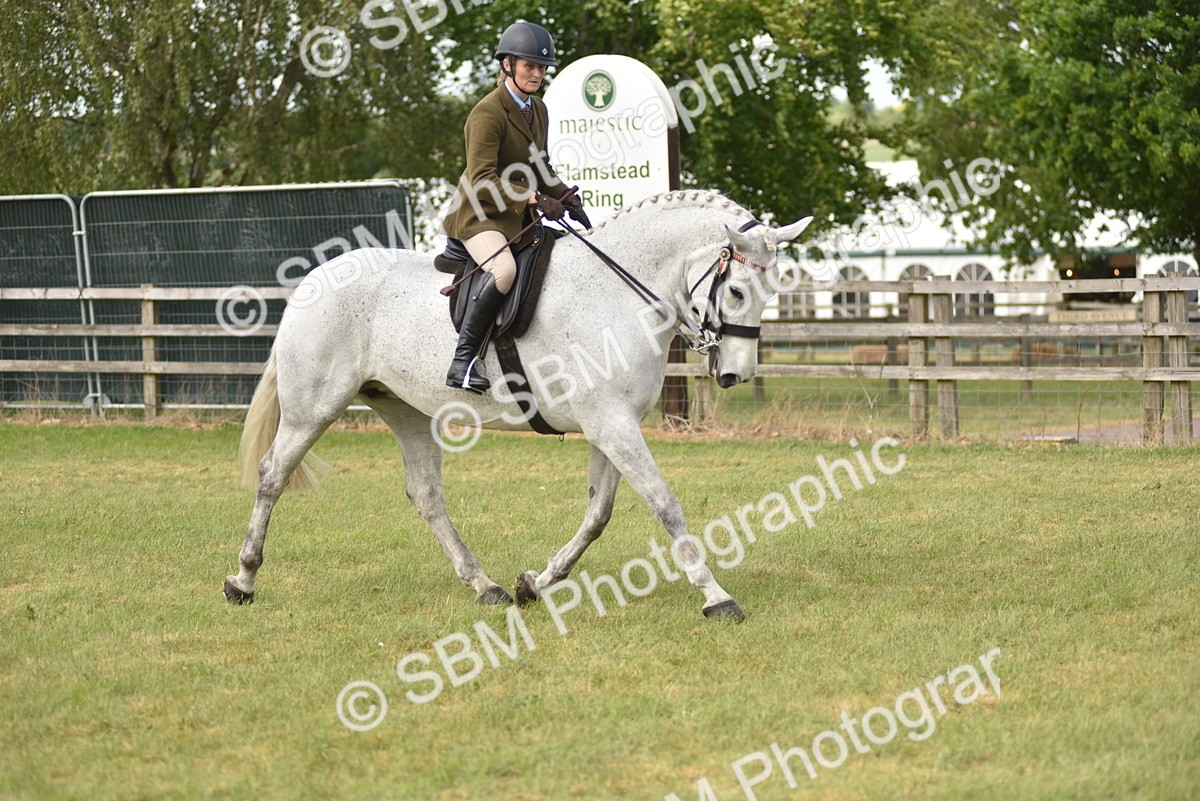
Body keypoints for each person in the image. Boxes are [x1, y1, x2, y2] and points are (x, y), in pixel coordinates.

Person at [441, 21, 587, 393]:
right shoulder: (486, 113)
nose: (537, 74)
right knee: (504, 270)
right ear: (507, 64)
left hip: (514, 217)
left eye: (542, 67)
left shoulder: (538, 109)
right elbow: (482, 179)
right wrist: (535, 199)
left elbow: (540, 166)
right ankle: (462, 362)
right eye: (529, 66)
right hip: (478, 215)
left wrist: (566, 196)